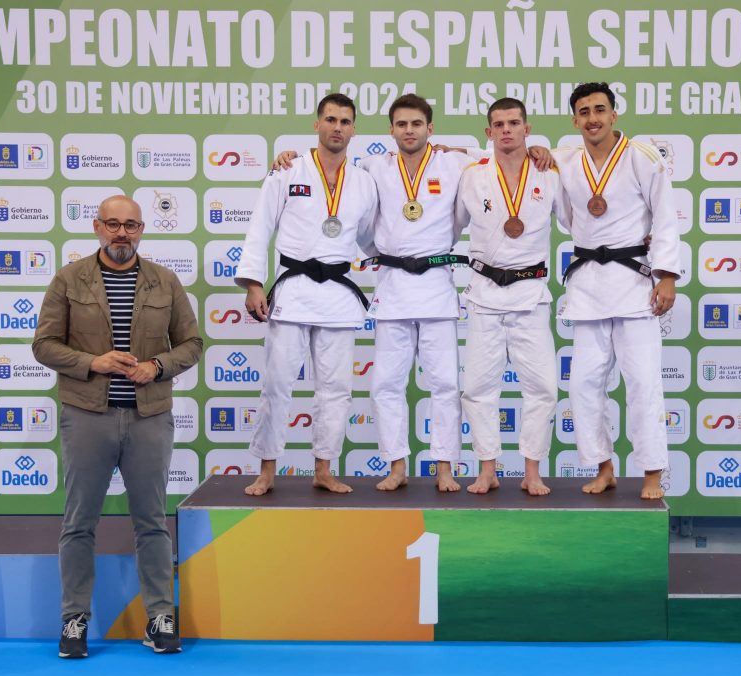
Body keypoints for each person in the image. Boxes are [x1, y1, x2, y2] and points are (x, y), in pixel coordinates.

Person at [272, 97, 552, 493]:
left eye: (416, 123)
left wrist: (541, 149)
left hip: (437, 285)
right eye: (401, 124)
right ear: (391, 131)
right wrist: (288, 158)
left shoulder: (456, 163)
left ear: (430, 129)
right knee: (386, 384)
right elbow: (337, 183)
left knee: (443, 385)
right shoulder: (371, 168)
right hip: (392, 284)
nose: (409, 130)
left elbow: (500, 154)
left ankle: (444, 468)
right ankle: (396, 465)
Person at [33, 194, 202, 658]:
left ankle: (161, 617)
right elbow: (44, 346)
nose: (121, 232)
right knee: (78, 523)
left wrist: (159, 366)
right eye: (112, 224)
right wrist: (93, 361)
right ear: (97, 227)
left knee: (151, 523)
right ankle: (73, 621)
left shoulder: (165, 282)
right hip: (87, 416)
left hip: (150, 417)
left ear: (142, 229)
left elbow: (192, 343)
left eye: (130, 225)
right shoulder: (69, 279)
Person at [235, 92, 377, 496]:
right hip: (293, 290)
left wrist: (400, 258)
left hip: (337, 296)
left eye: (345, 121)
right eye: (330, 120)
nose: (337, 128)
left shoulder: (364, 182)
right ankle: (266, 470)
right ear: (317, 125)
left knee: (336, 389)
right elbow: (260, 227)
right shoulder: (287, 170)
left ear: (353, 128)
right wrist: (252, 283)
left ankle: (324, 468)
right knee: (278, 383)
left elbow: (369, 238)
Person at [553, 82, 681, 499]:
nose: (592, 118)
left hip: (634, 282)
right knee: (584, 385)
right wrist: (450, 152)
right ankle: (603, 466)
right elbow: (513, 163)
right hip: (589, 283)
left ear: (614, 114)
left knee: (642, 383)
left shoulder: (643, 159)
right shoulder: (565, 163)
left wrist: (667, 276)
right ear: (575, 120)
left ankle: (650, 474)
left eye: (600, 110)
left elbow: (665, 218)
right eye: (584, 112)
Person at [455, 97, 569, 496]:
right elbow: (449, 223)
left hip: (530, 294)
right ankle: (487, 468)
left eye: (514, 123)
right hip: (485, 293)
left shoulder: (550, 172)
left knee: (543, 389)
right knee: (478, 389)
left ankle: (532, 470)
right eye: (498, 124)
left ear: (527, 127)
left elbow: (576, 221)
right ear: (489, 132)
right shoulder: (471, 175)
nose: (506, 130)